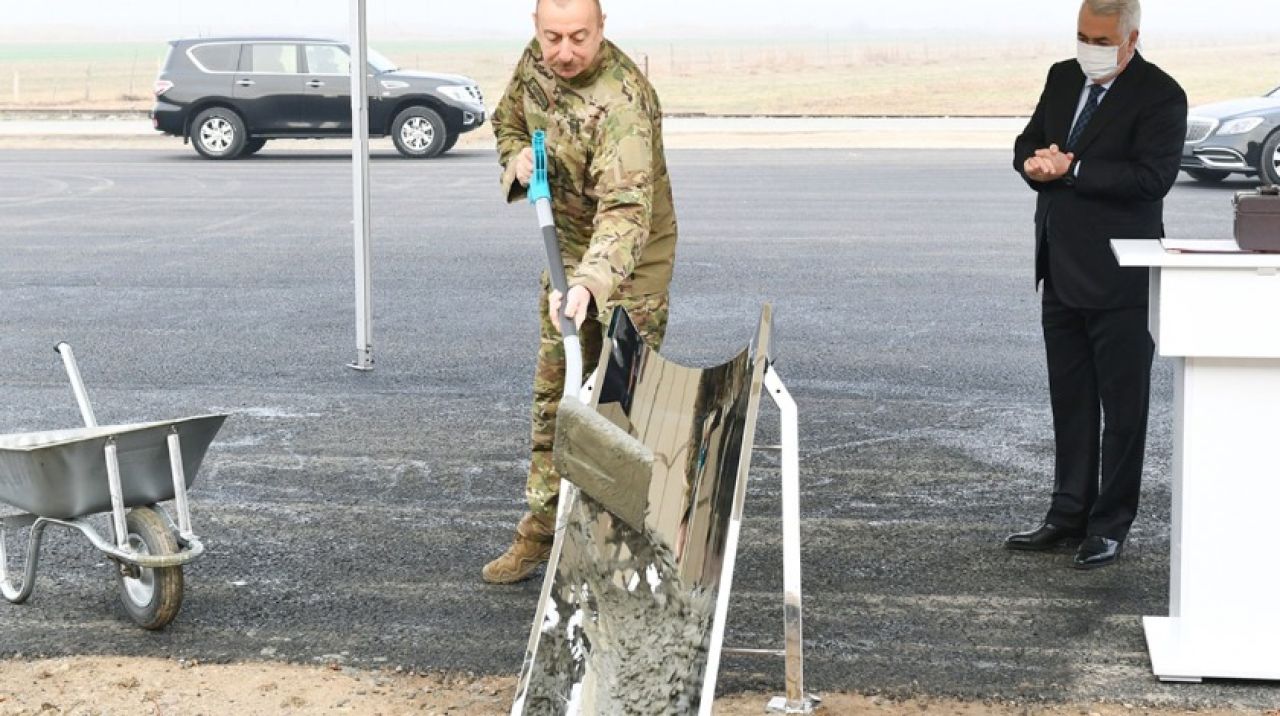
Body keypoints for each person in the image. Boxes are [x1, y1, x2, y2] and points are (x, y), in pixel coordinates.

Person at [482, 0, 679, 584]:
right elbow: (507, 121)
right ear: (537, 31)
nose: (564, 52)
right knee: (556, 397)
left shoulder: (623, 103)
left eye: (579, 38)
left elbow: (624, 214)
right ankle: (541, 531)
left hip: (629, 271)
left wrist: (593, 284)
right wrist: (515, 159)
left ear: (601, 30)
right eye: (553, 37)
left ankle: (617, 554)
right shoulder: (536, 64)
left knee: (619, 411)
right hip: (565, 254)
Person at [1006, 0, 1186, 569]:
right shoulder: (1063, 77)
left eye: (1102, 39)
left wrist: (1073, 170)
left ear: (1131, 39)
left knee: (1123, 409)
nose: (1090, 47)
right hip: (1059, 267)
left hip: (1121, 276)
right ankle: (1066, 513)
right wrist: (1033, 164)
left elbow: (1152, 179)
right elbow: (1027, 143)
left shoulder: (1161, 95)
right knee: (1072, 400)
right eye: (1083, 35)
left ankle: (1109, 525)